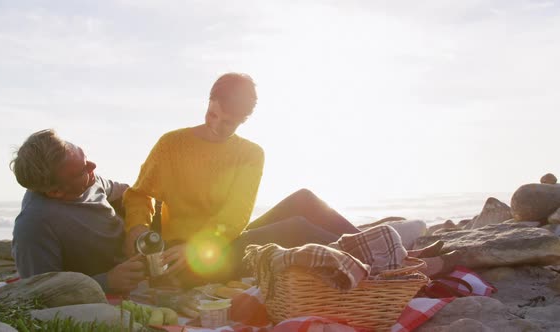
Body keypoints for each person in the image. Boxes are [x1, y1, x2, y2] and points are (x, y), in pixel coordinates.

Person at [123, 73, 455, 288]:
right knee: (296, 226)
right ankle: (391, 261)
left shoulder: (250, 153)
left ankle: (386, 253)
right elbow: (139, 195)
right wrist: (137, 229)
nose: (217, 127)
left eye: (230, 123)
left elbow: (236, 217)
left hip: (216, 244)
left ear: (245, 119)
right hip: (183, 260)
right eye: (214, 115)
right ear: (209, 101)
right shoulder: (172, 144)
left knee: (305, 199)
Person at [10, 129, 146, 294]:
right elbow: (42, 292)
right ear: (56, 192)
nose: (93, 166)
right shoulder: (33, 225)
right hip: (108, 288)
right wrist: (106, 282)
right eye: (83, 170)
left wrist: (135, 228)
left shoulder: (88, 179)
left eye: (85, 158)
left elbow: (129, 193)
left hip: (140, 258)